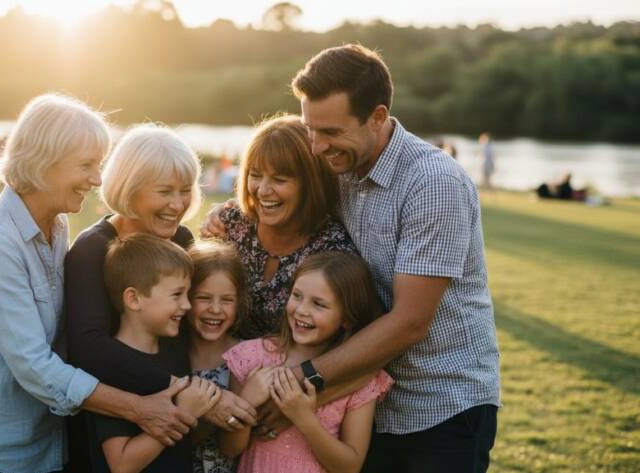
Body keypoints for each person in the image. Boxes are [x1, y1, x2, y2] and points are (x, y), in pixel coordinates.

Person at [203, 44, 500, 473]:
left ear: (377, 117)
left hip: (438, 403)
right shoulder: (340, 165)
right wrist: (230, 213)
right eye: (311, 129)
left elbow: (410, 322)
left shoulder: (432, 184)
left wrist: (299, 386)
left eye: (330, 132)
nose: (317, 146)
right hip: (363, 397)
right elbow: (286, 189)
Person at [0, 94, 196, 473]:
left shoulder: (56, 224)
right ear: (43, 162)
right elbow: (34, 366)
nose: (97, 179)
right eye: (86, 165)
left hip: (42, 444)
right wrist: (138, 409)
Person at [64, 125, 258, 472]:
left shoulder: (179, 239)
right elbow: (87, 348)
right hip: (117, 423)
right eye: (165, 191)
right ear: (129, 189)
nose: (178, 204)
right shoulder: (92, 249)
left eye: (185, 191)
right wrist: (184, 389)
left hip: (178, 429)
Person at [219, 252, 393, 472]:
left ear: (347, 318)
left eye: (318, 304)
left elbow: (350, 467)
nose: (301, 310)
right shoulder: (251, 357)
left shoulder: (357, 379)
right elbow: (229, 449)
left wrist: (304, 418)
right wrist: (246, 402)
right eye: (297, 296)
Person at [88, 233, 222, 473]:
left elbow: (183, 439)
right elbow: (121, 465)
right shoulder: (111, 367)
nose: (187, 305)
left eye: (187, 294)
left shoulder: (174, 350)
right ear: (134, 299)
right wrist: (183, 413)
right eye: (177, 295)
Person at [216, 114, 358, 340]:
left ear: (311, 183)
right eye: (255, 175)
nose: (263, 190)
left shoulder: (333, 250)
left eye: (279, 180)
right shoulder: (229, 225)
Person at [186, 240, 249, 473]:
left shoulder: (247, 357)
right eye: (203, 298)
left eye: (227, 300)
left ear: (239, 301)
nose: (215, 309)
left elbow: (232, 448)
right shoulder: (169, 356)